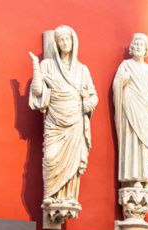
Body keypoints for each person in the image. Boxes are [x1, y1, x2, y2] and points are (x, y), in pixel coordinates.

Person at [29, 26, 98, 206]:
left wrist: (87, 104)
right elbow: (37, 91)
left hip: (75, 120)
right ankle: (50, 195)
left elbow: (93, 95)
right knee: (51, 157)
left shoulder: (82, 70)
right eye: (61, 40)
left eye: (68, 39)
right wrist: (36, 67)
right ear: (57, 44)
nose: (65, 43)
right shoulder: (47, 65)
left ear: (73, 42)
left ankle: (68, 198)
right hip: (54, 120)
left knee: (72, 161)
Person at [113, 33, 148, 188]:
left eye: (142, 44)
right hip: (131, 109)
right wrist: (123, 81)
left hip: (147, 112)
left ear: (146, 48)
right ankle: (134, 178)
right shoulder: (125, 66)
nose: (139, 47)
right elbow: (116, 86)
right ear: (132, 48)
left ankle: (147, 179)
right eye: (137, 44)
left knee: (147, 145)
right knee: (133, 142)